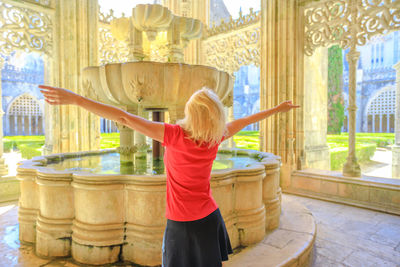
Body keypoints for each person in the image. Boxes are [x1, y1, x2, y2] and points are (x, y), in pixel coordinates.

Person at [39, 85, 299, 267]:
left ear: (190, 112)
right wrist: (278, 108)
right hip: (210, 218)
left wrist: (77, 100)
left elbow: (123, 117)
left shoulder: (173, 135)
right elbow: (246, 120)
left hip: (182, 224)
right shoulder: (215, 136)